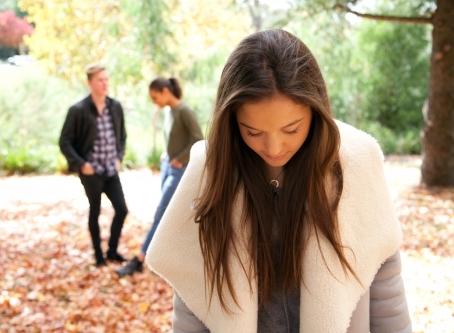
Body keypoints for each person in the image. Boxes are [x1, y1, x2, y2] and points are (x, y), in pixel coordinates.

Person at [145, 29, 412, 332]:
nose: (274, 149)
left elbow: (385, 287)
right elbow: (193, 299)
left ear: (316, 110)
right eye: (253, 132)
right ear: (231, 121)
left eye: (291, 129)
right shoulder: (210, 171)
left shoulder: (356, 162)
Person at [116, 77, 204, 276]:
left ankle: (139, 260)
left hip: (180, 170)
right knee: (170, 216)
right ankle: (167, 258)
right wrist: (168, 154)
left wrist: (180, 158)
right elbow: (176, 138)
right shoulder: (169, 112)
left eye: (155, 97)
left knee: (161, 215)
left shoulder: (185, 111)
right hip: (169, 166)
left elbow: (198, 139)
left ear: (165, 91)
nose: (154, 101)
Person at [59, 64, 128, 267]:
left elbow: (122, 136)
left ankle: (112, 251)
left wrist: (119, 157)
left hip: (110, 169)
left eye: (107, 79)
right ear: (90, 83)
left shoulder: (115, 107)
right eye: (100, 80)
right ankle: (99, 256)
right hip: (91, 171)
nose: (105, 83)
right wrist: (81, 165)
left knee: (122, 209)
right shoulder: (78, 110)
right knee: (95, 211)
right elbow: (65, 141)